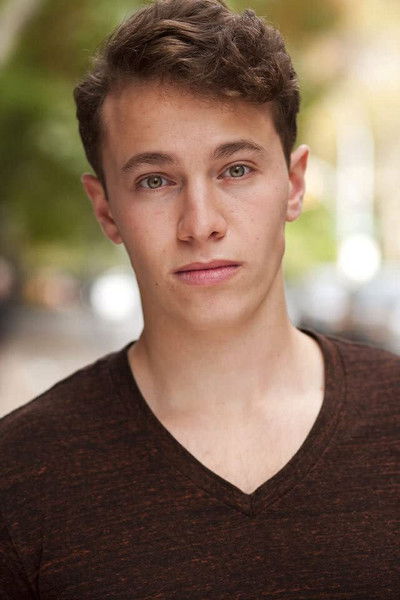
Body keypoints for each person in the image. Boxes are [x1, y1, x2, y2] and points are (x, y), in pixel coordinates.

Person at [1, 0, 399, 597]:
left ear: (293, 185)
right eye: (155, 181)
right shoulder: (19, 476)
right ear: (106, 210)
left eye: (236, 170)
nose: (200, 224)